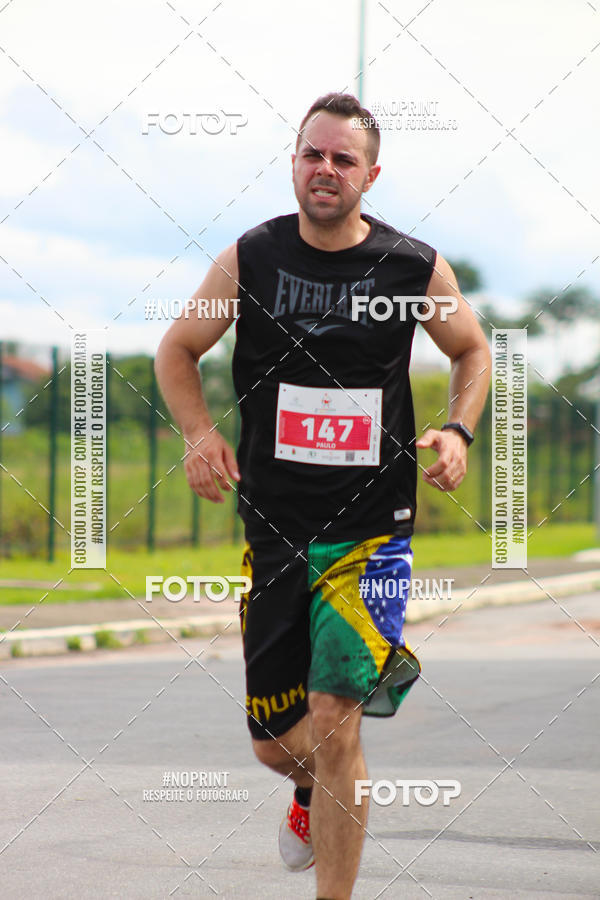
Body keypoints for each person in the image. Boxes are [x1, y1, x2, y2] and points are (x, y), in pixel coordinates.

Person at [155, 92, 491, 900]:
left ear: (371, 174)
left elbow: (472, 348)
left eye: (344, 159)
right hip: (275, 528)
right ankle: (308, 788)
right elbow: (179, 347)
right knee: (277, 742)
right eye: (314, 154)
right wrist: (202, 436)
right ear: (294, 162)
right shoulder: (251, 259)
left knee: (337, 722)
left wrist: (457, 431)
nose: (326, 170)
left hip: (373, 530)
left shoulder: (412, 266)